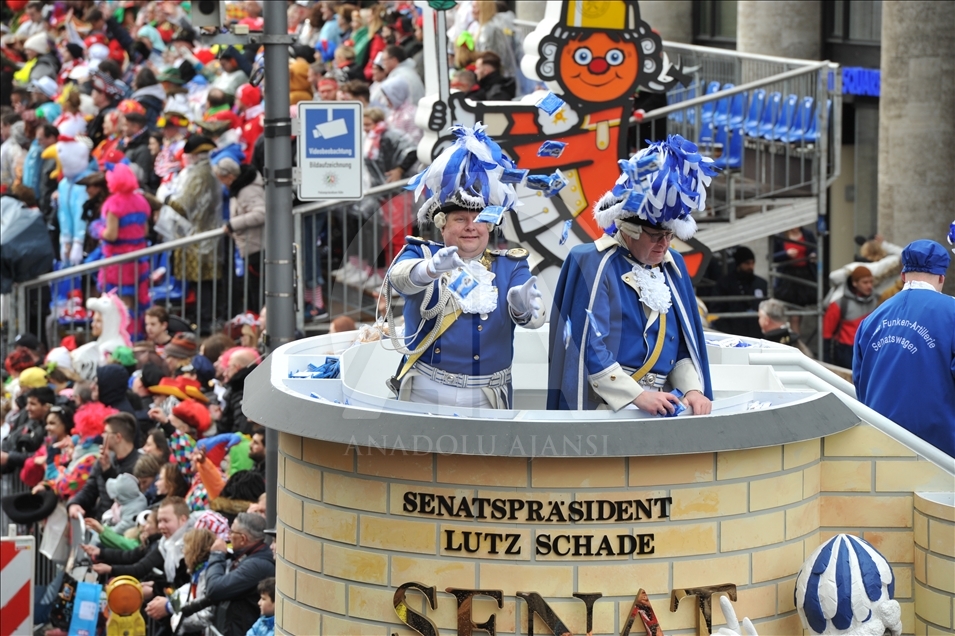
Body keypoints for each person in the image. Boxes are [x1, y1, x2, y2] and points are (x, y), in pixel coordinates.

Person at [548, 136, 714, 414]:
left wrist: (692, 390)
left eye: (669, 235)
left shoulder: (673, 265)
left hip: (664, 403)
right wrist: (636, 395)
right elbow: (588, 344)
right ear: (628, 228)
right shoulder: (594, 261)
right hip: (608, 406)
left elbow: (682, 345)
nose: (664, 244)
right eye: (655, 235)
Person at [383, 123, 545, 409]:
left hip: (487, 397)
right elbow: (399, 279)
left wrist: (523, 309)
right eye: (460, 219)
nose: (471, 227)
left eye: (480, 219)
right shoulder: (421, 253)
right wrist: (430, 270)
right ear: (442, 225)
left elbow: (535, 319)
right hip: (425, 391)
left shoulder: (511, 266)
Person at [853, 240, 954, 457]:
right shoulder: (952, 313)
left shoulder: (871, 319)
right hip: (940, 449)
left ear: (903, 275)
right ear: (941, 277)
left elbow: (860, 382)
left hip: (879, 443)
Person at [204, 512, 275, 636]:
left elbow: (214, 588)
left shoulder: (256, 566)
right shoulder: (249, 557)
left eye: (232, 532)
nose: (228, 536)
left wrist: (217, 555)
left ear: (243, 539)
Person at [212, 156, 265, 318]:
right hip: (251, 248)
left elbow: (261, 213)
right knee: (254, 295)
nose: (222, 184)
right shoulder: (240, 188)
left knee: (259, 294)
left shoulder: (247, 191)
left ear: (229, 177)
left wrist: (233, 224)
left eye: (222, 180)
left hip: (257, 248)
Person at [67, 412, 140, 520]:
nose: (102, 435)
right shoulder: (104, 459)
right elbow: (90, 489)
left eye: (105, 432)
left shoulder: (139, 464)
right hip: (100, 521)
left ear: (118, 437)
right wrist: (75, 503)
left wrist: (108, 471)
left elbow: (123, 497)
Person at [823, 265, 877, 368]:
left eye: (871, 282)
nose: (869, 286)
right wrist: (827, 361)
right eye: (865, 282)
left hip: (867, 349)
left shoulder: (874, 301)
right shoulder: (840, 303)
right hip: (845, 352)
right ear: (854, 283)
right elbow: (827, 333)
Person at [711, 246, 768, 339]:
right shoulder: (725, 284)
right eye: (747, 263)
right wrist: (727, 332)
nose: (750, 267)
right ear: (739, 263)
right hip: (733, 334)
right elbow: (716, 310)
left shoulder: (761, 283)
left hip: (757, 334)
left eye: (752, 263)